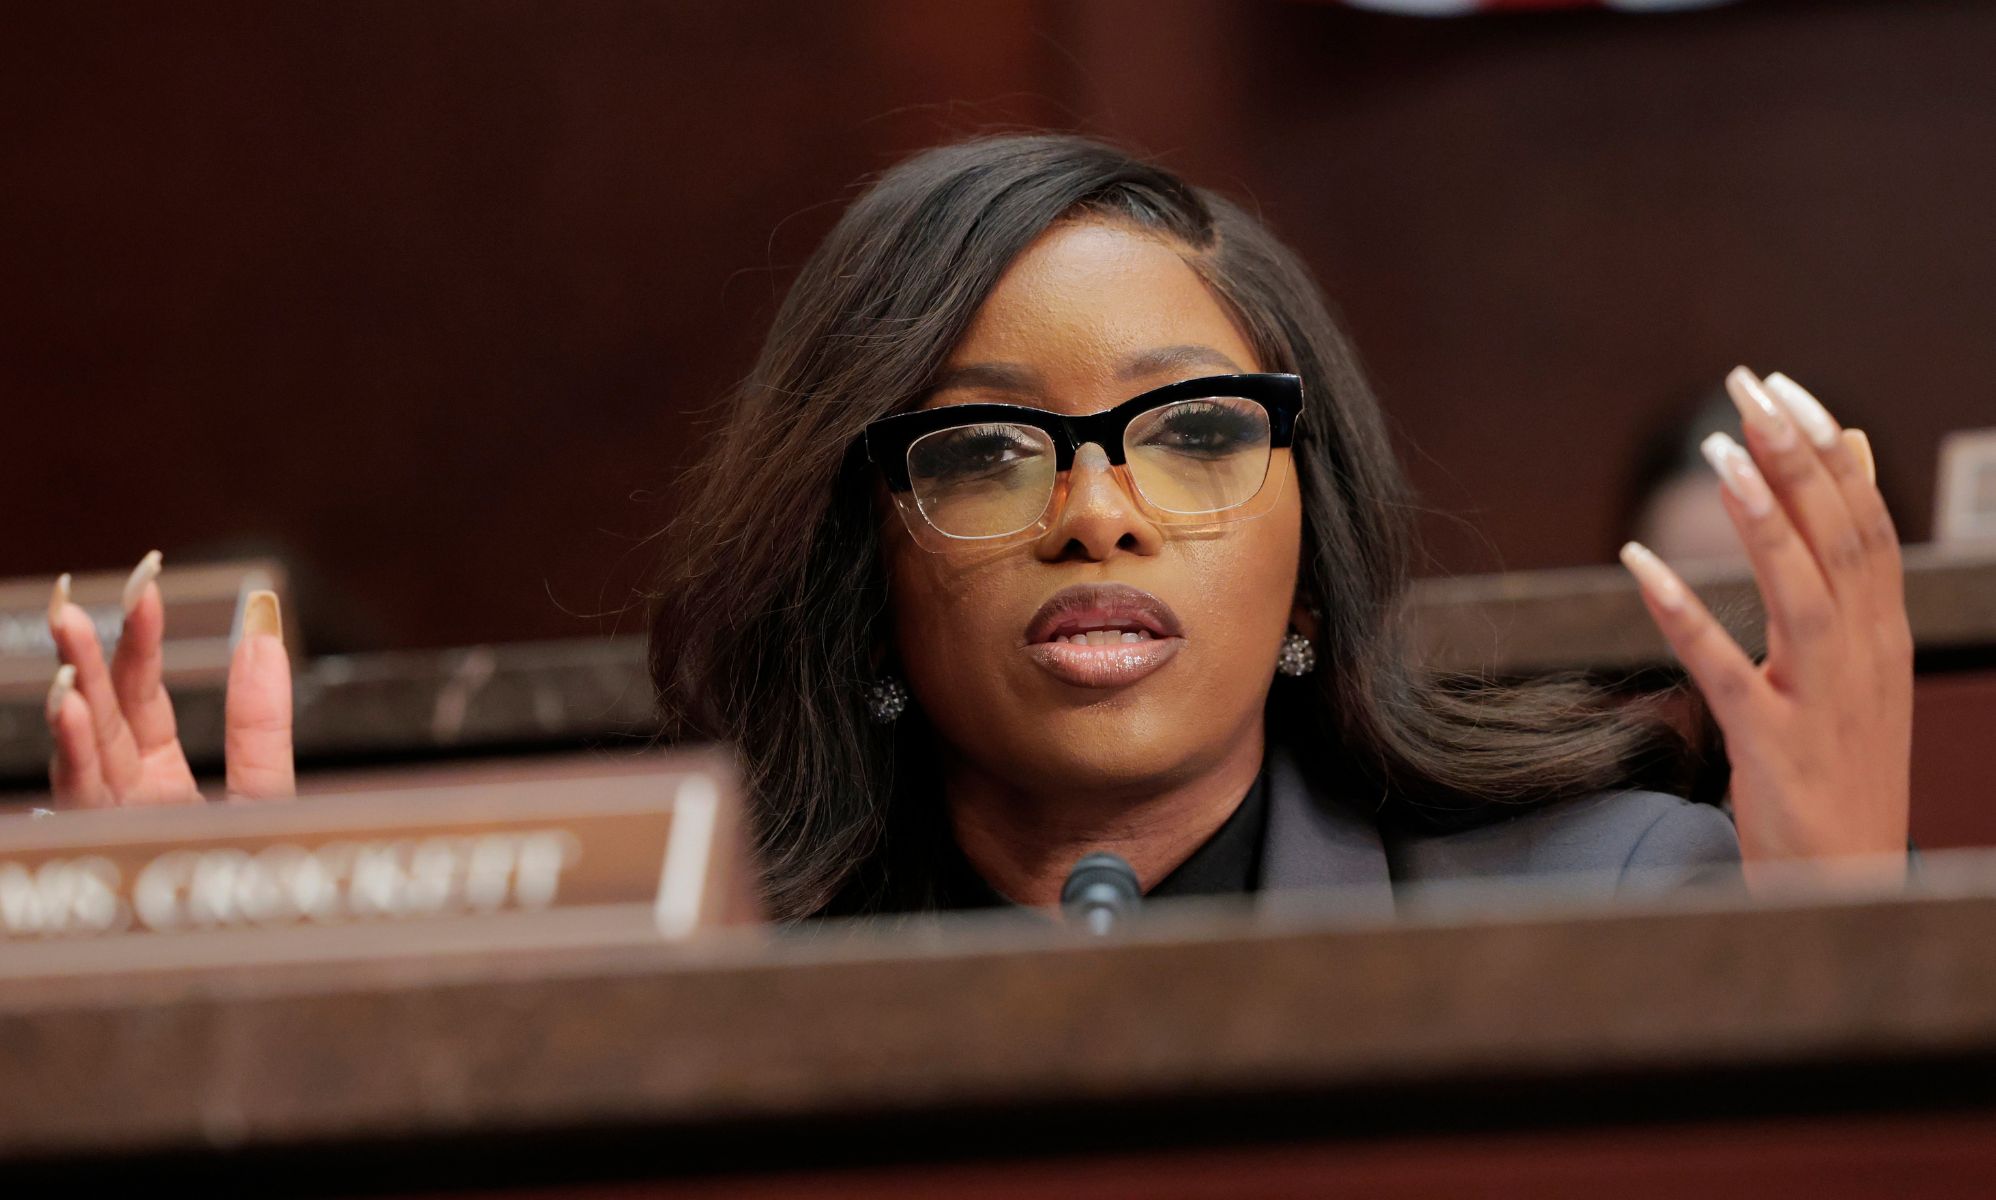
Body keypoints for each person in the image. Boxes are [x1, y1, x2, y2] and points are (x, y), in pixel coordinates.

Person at [41, 135, 1913, 920]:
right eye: (986, 453)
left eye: (1193, 434)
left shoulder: (1611, 897)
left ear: (1310, 536)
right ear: (857, 559)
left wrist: (1833, 951)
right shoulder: (673, 975)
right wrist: (239, 1043)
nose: (1097, 515)